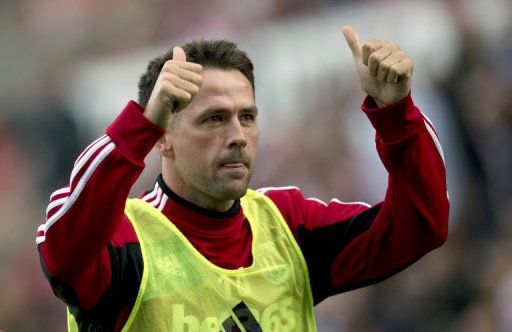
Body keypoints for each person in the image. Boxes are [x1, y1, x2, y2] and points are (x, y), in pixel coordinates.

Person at [36, 26, 449, 331]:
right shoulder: (126, 238)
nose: (237, 136)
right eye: (214, 118)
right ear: (164, 138)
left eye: (247, 117)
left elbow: (420, 226)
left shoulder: (287, 224)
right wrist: (138, 126)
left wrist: (397, 116)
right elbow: (62, 251)